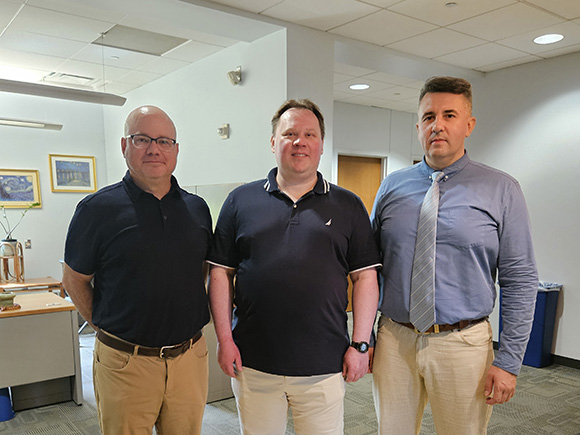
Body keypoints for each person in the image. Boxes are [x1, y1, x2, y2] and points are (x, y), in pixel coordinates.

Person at [371, 77, 538, 435]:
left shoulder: (501, 189)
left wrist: (508, 362)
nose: (438, 125)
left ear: (469, 125)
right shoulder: (391, 187)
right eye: (429, 116)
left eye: (449, 115)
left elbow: (520, 278)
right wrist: (363, 337)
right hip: (394, 339)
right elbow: (369, 269)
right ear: (418, 126)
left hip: (463, 345)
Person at [208, 99, 380, 434]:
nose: (299, 142)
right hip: (253, 362)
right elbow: (220, 274)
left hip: (324, 364)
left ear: (320, 145)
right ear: (274, 142)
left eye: (308, 134)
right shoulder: (240, 201)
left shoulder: (348, 204)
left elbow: (365, 278)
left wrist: (360, 344)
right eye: (289, 134)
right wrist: (224, 339)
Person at [62, 105, 212, 435]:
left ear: (176, 150)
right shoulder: (96, 210)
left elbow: (198, 269)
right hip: (125, 363)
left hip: (189, 359)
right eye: (142, 139)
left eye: (164, 141)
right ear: (124, 146)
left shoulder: (197, 210)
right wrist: (102, 322)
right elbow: (74, 280)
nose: (154, 149)